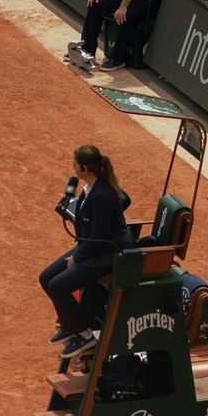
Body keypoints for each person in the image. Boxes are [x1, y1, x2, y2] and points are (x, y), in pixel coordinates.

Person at [40, 141, 130, 345]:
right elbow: (125, 200)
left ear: (84, 168)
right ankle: (69, 325)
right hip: (90, 247)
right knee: (46, 277)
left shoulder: (102, 195)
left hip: (106, 254)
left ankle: (84, 334)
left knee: (57, 286)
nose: (72, 168)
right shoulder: (92, 187)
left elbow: (99, 237)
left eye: (74, 165)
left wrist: (77, 257)